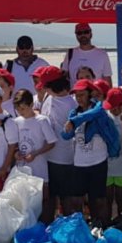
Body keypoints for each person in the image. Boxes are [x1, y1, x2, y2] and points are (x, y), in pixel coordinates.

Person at [61, 79, 119, 227]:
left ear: (90, 94)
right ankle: (80, 229)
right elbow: (66, 136)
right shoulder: (74, 113)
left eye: (82, 95)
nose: (79, 98)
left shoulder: (99, 111)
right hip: (79, 163)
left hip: (98, 163)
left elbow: (94, 113)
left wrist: (74, 122)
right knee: (76, 200)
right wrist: (68, 128)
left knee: (98, 201)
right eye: (76, 95)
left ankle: (102, 229)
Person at [39, 66, 78, 224]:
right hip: (46, 156)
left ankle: (69, 230)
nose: (44, 89)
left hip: (64, 159)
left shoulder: (72, 104)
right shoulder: (48, 98)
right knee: (48, 197)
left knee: (66, 198)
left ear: (52, 86)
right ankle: (48, 229)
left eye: (46, 86)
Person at [11, 88, 55, 192]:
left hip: (39, 170)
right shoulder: (16, 122)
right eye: (17, 109)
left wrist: (35, 154)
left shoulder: (42, 120)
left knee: (42, 197)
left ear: (31, 105)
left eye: (23, 108)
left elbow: (52, 143)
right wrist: (16, 153)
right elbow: (14, 144)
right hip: (21, 170)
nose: (20, 112)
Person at [103, 87, 122, 217]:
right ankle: (107, 225)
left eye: (116, 107)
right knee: (106, 199)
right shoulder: (105, 116)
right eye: (111, 106)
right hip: (107, 166)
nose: (113, 110)